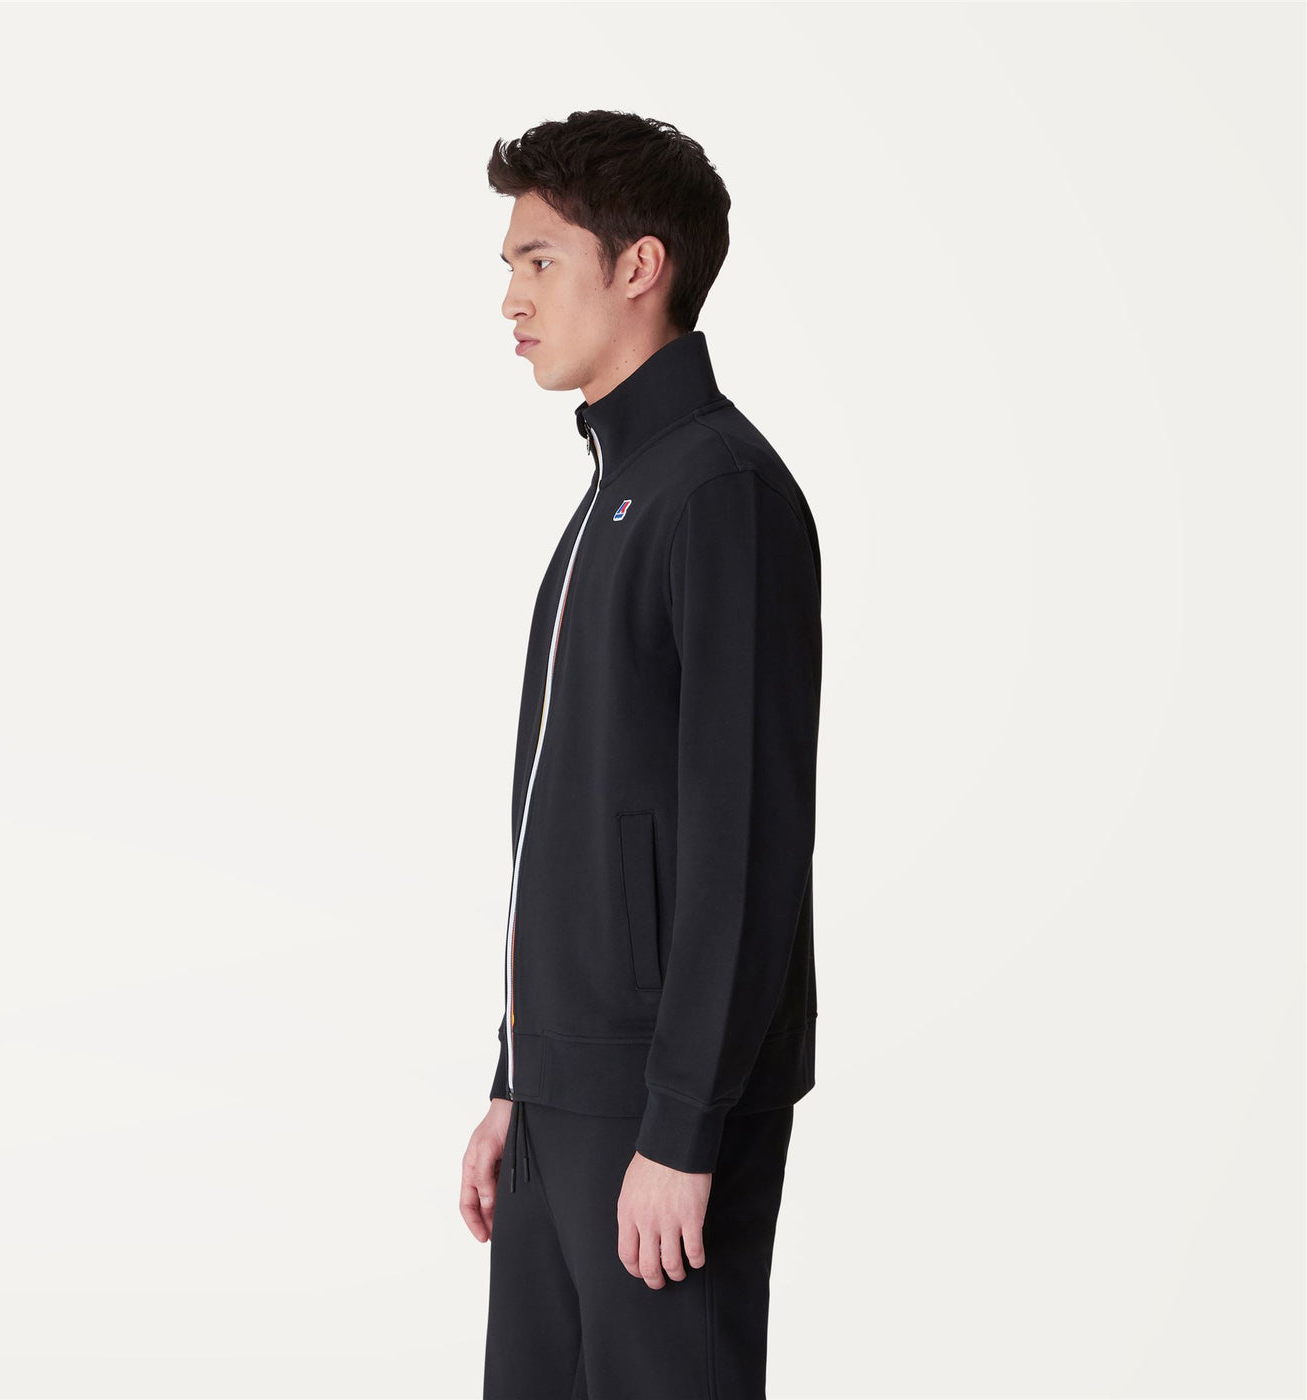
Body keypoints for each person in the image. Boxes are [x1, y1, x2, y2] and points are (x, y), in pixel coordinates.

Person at [459, 109, 823, 1400]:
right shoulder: (614, 494)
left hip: (659, 1109)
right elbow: (564, 823)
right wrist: (515, 1078)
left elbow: (745, 842)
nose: (510, 298)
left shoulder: (718, 493)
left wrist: (682, 1127)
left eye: (538, 260)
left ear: (639, 266)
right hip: (563, 1093)